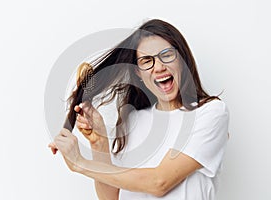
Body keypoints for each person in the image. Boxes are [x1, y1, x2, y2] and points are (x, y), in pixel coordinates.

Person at [48, 19, 229, 200]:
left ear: (183, 60)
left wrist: (79, 163)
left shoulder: (210, 113)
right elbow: (110, 197)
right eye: (146, 61)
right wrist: (99, 143)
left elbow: (159, 182)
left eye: (166, 55)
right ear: (138, 73)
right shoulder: (132, 120)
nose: (158, 67)